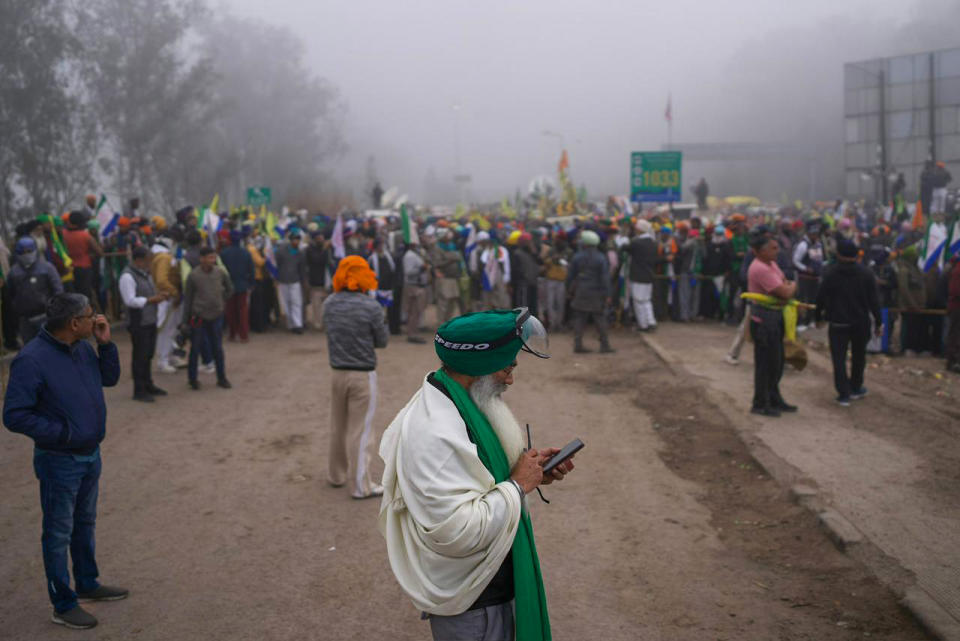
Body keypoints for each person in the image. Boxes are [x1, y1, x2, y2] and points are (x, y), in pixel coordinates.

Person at [378, 308, 574, 641]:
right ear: (479, 366)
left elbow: (479, 473)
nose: (511, 379)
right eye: (507, 367)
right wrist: (516, 485)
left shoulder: (456, 396)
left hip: (489, 590)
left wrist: (531, 470)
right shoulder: (435, 432)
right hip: (475, 607)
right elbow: (459, 530)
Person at [3, 293, 125, 630]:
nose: (95, 318)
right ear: (74, 323)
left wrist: (106, 345)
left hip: (89, 455)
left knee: (84, 522)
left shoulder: (83, 346)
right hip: (59, 460)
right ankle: (63, 602)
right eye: (90, 316)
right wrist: (63, 433)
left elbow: (109, 378)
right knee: (58, 532)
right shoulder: (32, 360)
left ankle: (87, 581)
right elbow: (14, 415)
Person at [322, 256, 388, 499]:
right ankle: (361, 486)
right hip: (362, 374)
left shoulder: (329, 303)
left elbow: (326, 329)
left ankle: (336, 474)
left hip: (337, 372)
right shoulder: (371, 306)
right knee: (361, 431)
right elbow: (382, 341)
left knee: (337, 425)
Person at [815, 239, 883, 406]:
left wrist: (818, 318)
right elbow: (874, 301)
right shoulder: (866, 273)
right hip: (861, 323)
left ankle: (843, 394)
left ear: (838, 254)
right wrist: (879, 322)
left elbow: (821, 297)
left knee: (838, 359)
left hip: (838, 323)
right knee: (859, 356)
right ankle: (855, 387)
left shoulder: (830, 273)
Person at [746, 234, 797, 417]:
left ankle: (774, 398)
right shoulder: (760, 268)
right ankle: (760, 402)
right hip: (764, 320)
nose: (777, 251)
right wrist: (792, 288)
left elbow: (783, 283)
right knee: (766, 364)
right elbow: (784, 291)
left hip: (775, 317)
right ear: (760, 251)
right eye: (773, 248)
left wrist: (788, 287)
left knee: (777, 362)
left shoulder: (771, 264)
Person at [119, 246, 169, 402]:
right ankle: (139, 390)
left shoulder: (144, 274)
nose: (150, 264)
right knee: (140, 356)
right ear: (138, 260)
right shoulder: (127, 276)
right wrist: (150, 300)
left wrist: (158, 296)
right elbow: (130, 300)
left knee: (148, 354)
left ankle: (148, 384)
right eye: (147, 261)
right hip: (138, 321)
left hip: (149, 319)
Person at [182, 247, 233, 390]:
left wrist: (220, 302)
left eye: (213, 258)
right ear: (202, 259)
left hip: (216, 316)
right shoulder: (193, 276)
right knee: (195, 348)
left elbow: (229, 289)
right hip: (198, 317)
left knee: (217, 348)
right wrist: (184, 322)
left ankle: (221, 378)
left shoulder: (220, 273)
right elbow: (188, 299)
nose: (212, 260)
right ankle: (193, 379)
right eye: (209, 258)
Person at [7, 237, 64, 344]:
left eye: (29, 251)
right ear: (17, 253)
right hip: (26, 321)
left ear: (35, 250)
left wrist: (55, 311)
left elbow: (58, 290)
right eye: (22, 252)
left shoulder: (47, 268)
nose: (26, 255)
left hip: (46, 317)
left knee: (52, 346)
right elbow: (11, 293)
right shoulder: (13, 272)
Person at [566, 230, 614, 353]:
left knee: (580, 319)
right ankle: (605, 345)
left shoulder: (577, 257)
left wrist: (569, 290)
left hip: (581, 291)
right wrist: (608, 294)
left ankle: (578, 345)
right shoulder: (601, 258)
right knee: (600, 318)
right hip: (596, 292)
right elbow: (605, 278)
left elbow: (570, 276)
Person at [151, 235, 183, 373]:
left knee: (170, 330)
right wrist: (175, 292)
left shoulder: (160, 256)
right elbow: (161, 280)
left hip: (168, 297)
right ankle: (163, 360)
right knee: (166, 330)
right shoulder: (164, 258)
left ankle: (168, 356)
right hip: (168, 298)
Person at [220, 230, 255, 342]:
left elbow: (221, 270)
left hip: (228, 286)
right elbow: (251, 270)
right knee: (243, 311)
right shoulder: (246, 253)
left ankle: (232, 334)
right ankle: (244, 335)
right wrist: (251, 283)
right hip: (243, 285)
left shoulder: (224, 253)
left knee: (230, 311)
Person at [62, 211, 102, 306]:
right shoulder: (85, 235)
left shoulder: (63, 234)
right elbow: (99, 252)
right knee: (85, 296)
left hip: (68, 270)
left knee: (72, 297)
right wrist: (90, 255)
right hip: (84, 269)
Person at [627, 219, 657, 331]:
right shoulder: (653, 242)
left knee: (638, 300)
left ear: (639, 229)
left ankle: (643, 325)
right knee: (646, 300)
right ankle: (651, 321)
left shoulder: (636, 242)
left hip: (638, 275)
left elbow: (626, 248)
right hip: (649, 275)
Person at [275, 231, 307, 334]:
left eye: (298, 239)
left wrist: (303, 281)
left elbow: (302, 268)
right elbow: (276, 264)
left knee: (296, 302)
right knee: (286, 303)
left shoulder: (300, 253)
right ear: (290, 240)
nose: (296, 241)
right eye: (294, 239)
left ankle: (298, 325)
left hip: (295, 281)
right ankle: (290, 324)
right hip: (283, 280)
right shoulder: (281, 251)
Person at [402, 239, 429, 343]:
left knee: (415, 311)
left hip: (416, 285)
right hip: (413, 286)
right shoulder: (409, 256)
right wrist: (421, 268)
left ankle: (413, 333)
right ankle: (412, 334)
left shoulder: (414, 254)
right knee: (414, 311)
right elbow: (408, 271)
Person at [306, 231, 332, 330]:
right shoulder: (310, 250)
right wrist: (325, 250)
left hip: (326, 282)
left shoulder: (327, 250)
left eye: (322, 238)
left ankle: (326, 323)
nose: (321, 240)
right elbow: (317, 260)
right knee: (316, 306)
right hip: (315, 282)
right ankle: (318, 324)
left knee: (327, 306)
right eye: (319, 238)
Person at [945, 256, 960, 373]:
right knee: (955, 334)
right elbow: (955, 290)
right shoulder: (957, 271)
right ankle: (953, 361)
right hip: (956, 307)